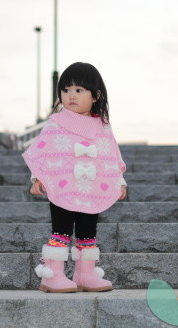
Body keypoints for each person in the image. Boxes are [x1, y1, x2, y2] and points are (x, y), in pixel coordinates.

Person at [22, 62, 127, 293]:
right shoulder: (56, 123)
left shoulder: (103, 126)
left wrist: (119, 181)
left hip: (92, 188)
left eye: (79, 90)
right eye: (66, 90)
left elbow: (111, 154)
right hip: (63, 186)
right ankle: (52, 275)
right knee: (61, 229)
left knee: (88, 230)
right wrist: (37, 176)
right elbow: (43, 150)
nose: (71, 96)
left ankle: (85, 274)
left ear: (95, 95)